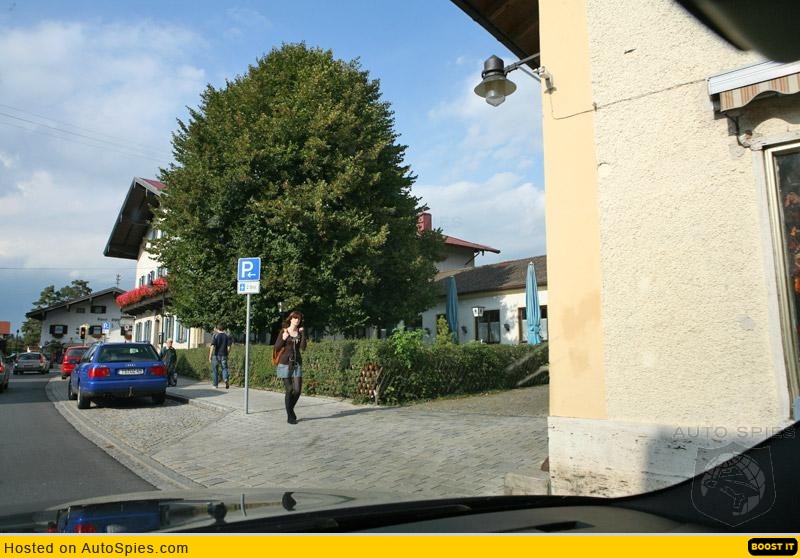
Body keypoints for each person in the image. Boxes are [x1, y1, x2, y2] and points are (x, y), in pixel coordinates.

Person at [273, 311, 307, 424]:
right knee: (290, 389)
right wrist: (283, 338)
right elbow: (276, 347)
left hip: (297, 363)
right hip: (284, 363)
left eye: (299, 318)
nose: (297, 320)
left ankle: (290, 409)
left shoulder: (299, 332)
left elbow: (303, 347)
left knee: (297, 390)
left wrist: (303, 334)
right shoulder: (284, 331)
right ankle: (289, 417)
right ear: (291, 319)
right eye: (295, 318)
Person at [208, 324, 233, 389]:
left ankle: (215, 385)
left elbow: (212, 346)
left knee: (215, 370)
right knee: (224, 368)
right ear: (223, 329)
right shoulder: (227, 336)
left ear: (217, 329)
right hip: (224, 355)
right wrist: (227, 353)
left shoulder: (215, 336)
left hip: (216, 355)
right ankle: (225, 379)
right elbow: (229, 347)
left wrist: (210, 356)